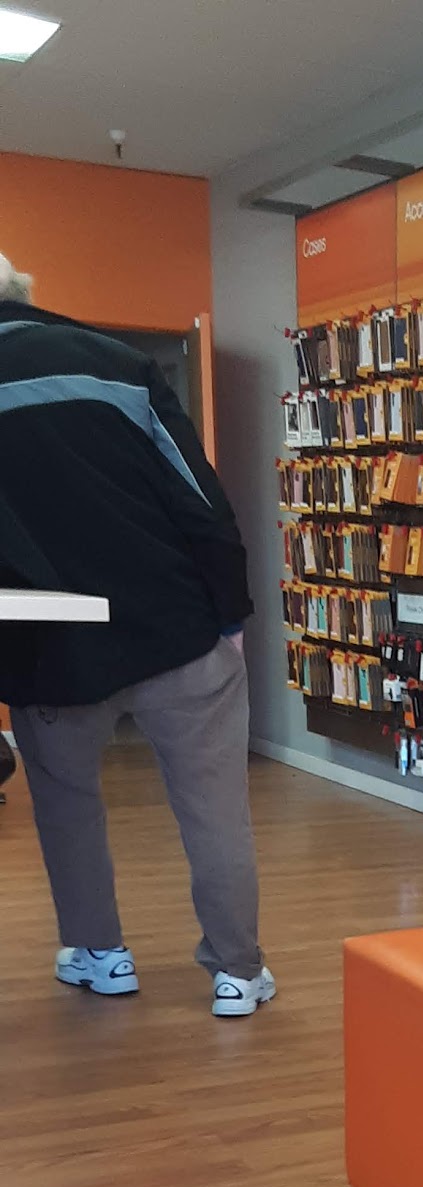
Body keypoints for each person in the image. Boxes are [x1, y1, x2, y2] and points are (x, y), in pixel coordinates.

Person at [0, 253, 274, 1016]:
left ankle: (100, 955)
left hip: (45, 644)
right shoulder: (115, 363)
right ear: (25, 291)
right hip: (173, 622)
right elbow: (198, 495)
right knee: (214, 808)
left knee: (67, 809)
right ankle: (237, 972)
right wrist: (229, 612)